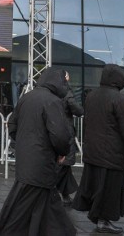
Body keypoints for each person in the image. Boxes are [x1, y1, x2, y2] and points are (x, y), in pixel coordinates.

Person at [0, 67, 76, 236]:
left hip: (26, 158)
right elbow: (60, 134)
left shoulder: (27, 97)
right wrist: (62, 152)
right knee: (29, 204)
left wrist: (23, 143)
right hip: (42, 161)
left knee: (35, 200)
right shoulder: (52, 101)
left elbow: (13, 125)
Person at [72, 64, 124, 234]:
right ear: (119, 80)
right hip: (112, 154)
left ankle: (99, 219)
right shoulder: (120, 99)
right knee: (108, 190)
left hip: (93, 152)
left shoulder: (91, 96)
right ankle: (103, 221)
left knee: (96, 187)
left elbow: (88, 123)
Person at [56, 71, 84, 208]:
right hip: (66, 130)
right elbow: (77, 110)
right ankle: (52, 192)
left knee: (64, 166)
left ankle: (66, 195)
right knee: (64, 164)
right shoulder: (67, 92)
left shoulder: (51, 91)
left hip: (55, 129)